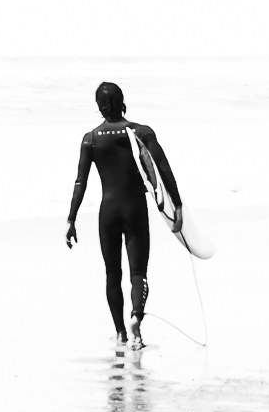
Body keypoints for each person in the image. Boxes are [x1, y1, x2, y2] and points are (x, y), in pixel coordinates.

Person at [66, 82, 182, 347]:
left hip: (107, 212)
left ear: (99, 107)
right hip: (135, 210)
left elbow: (80, 183)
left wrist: (71, 219)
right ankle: (136, 321)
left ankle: (119, 332)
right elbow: (163, 168)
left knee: (112, 274)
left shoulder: (90, 139)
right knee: (137, 272)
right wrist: (177, 205)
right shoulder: (141, 132)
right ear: (123, 101)